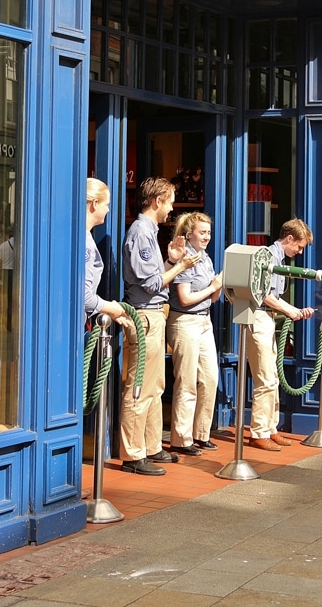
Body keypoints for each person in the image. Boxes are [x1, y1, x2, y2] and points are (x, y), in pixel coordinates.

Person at [119, 177, 200, 476]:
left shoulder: (149, 232)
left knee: (155, 384)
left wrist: (170, 260)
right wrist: (180, 267)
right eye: (169, 201)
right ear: (156, 202)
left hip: (154, 314)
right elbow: (152, 284)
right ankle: (132, 453)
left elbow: (153, 278)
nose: (171, 208)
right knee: (139, 386)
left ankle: (151, 445)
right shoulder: (141, 232)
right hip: (145, 316)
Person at [246, 218, 315, 451]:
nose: (300, 251)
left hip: (268, 318)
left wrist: (292, 311)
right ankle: (258, 432)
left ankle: (270, 428)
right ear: (288, 239)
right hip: (257, 317)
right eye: (299, 246)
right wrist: (289, 310)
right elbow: (262, 293)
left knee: (273, 376)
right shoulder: (266, 256)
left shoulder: (281, 260)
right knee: (265, 377)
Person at [167, 212, 223, 455]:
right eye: (202, 232)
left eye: (209, 232)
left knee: (210, 377)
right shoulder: (186, 257)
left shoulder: (206, 258)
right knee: (187, 381)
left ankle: (201, 433)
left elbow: (213, 296)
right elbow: (185, 298)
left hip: (204, 321)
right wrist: (212, 286)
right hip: (185, 321)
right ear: (189, 234)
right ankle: (181, 439)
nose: (207, 237)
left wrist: (217, 287)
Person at [85, 179, 134, 332]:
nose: (108, 210)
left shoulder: (79, 236)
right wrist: (111, 308)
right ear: (94, 204)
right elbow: (84, 297)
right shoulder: (85, 242)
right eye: (106, 204)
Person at [0, 226, 15, 330]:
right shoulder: (20, 244)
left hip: (5, 272)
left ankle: (8, 322)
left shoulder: (3, 245)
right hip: (16, 272)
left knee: (8, 297)